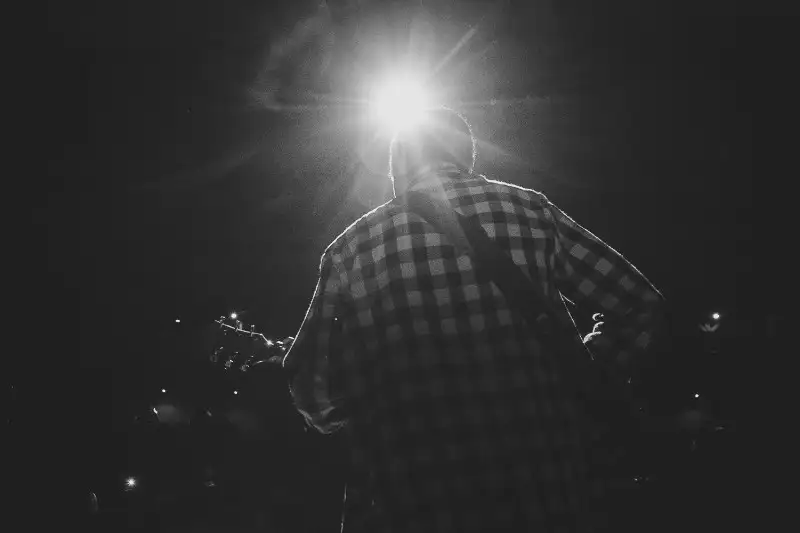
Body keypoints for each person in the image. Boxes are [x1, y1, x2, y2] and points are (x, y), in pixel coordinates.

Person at [283, 107, 664, 532]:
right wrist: (585, 366)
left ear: (396, 167)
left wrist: (371, 405)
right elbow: (640, 305)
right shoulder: (531, 211)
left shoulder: (352, 248)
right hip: (547, 491)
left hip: (413, 502)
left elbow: (309, 383)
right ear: (466, 156)